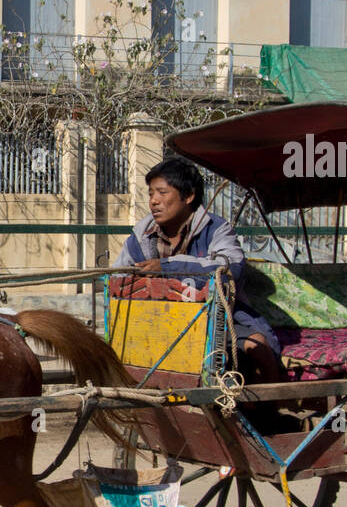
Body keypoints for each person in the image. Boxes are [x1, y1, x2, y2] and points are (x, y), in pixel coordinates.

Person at [113, 157, 282, 383]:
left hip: (218, 323)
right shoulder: (142, 236)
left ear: (189, 196)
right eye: (151, 193)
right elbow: (117, 277)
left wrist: (168, 267)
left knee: (257, 345)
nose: (153, 201)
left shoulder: (216, 229)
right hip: (156, 325)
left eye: (162, 193)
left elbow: (231, 268)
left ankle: (274, 406)